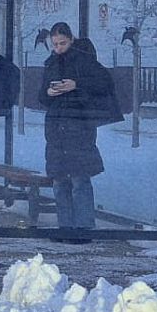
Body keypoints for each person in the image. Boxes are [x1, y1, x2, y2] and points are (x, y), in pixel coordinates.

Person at [42, 24, 116, 236]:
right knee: (59, 180)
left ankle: (83, 228)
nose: (58, 48)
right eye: (55, 44)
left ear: (71, 40)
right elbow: (40, 95)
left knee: (79, 179)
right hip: (56, 129)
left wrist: (76, 85)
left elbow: (104, 84)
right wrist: (49, 91)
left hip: (79, 128)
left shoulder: (84, 61)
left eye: (62, 43)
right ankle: (65, 227)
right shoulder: (51, 64)